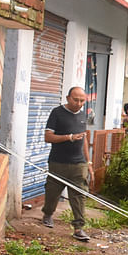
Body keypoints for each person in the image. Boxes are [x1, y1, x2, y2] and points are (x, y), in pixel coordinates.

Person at [43, 86, 90, 241]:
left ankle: (78, 228)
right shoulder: (57, 113)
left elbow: (84, 139)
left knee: (79, 195)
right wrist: (68, 137)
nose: (78, 103)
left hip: (79, 164)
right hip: (58, 162)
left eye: (82, 100)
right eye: (75, 100)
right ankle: (48, 214)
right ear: (68, 98)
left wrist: (88, 161)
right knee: (52, 192)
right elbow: (48, 137)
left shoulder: (83, 115)